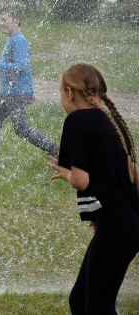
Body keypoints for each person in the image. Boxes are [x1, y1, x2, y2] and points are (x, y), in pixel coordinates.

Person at [46, 63, 139, 314]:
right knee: (80, 301)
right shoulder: (112, 122)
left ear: (69, 92)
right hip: (125, 224)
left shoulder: (77, 120)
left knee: (98, 307)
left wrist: (66, 174)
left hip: (117, 226)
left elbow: (82, 180)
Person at [0, 5, 59, 170]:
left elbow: (21, 66)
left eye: (4, 19)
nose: (0, 23)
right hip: (6, 92)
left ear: (16, 21)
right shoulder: (11, 39)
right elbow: (22, 68)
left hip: (16, 93)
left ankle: (54, 149)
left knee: (20, 128)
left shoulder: (19, 41)